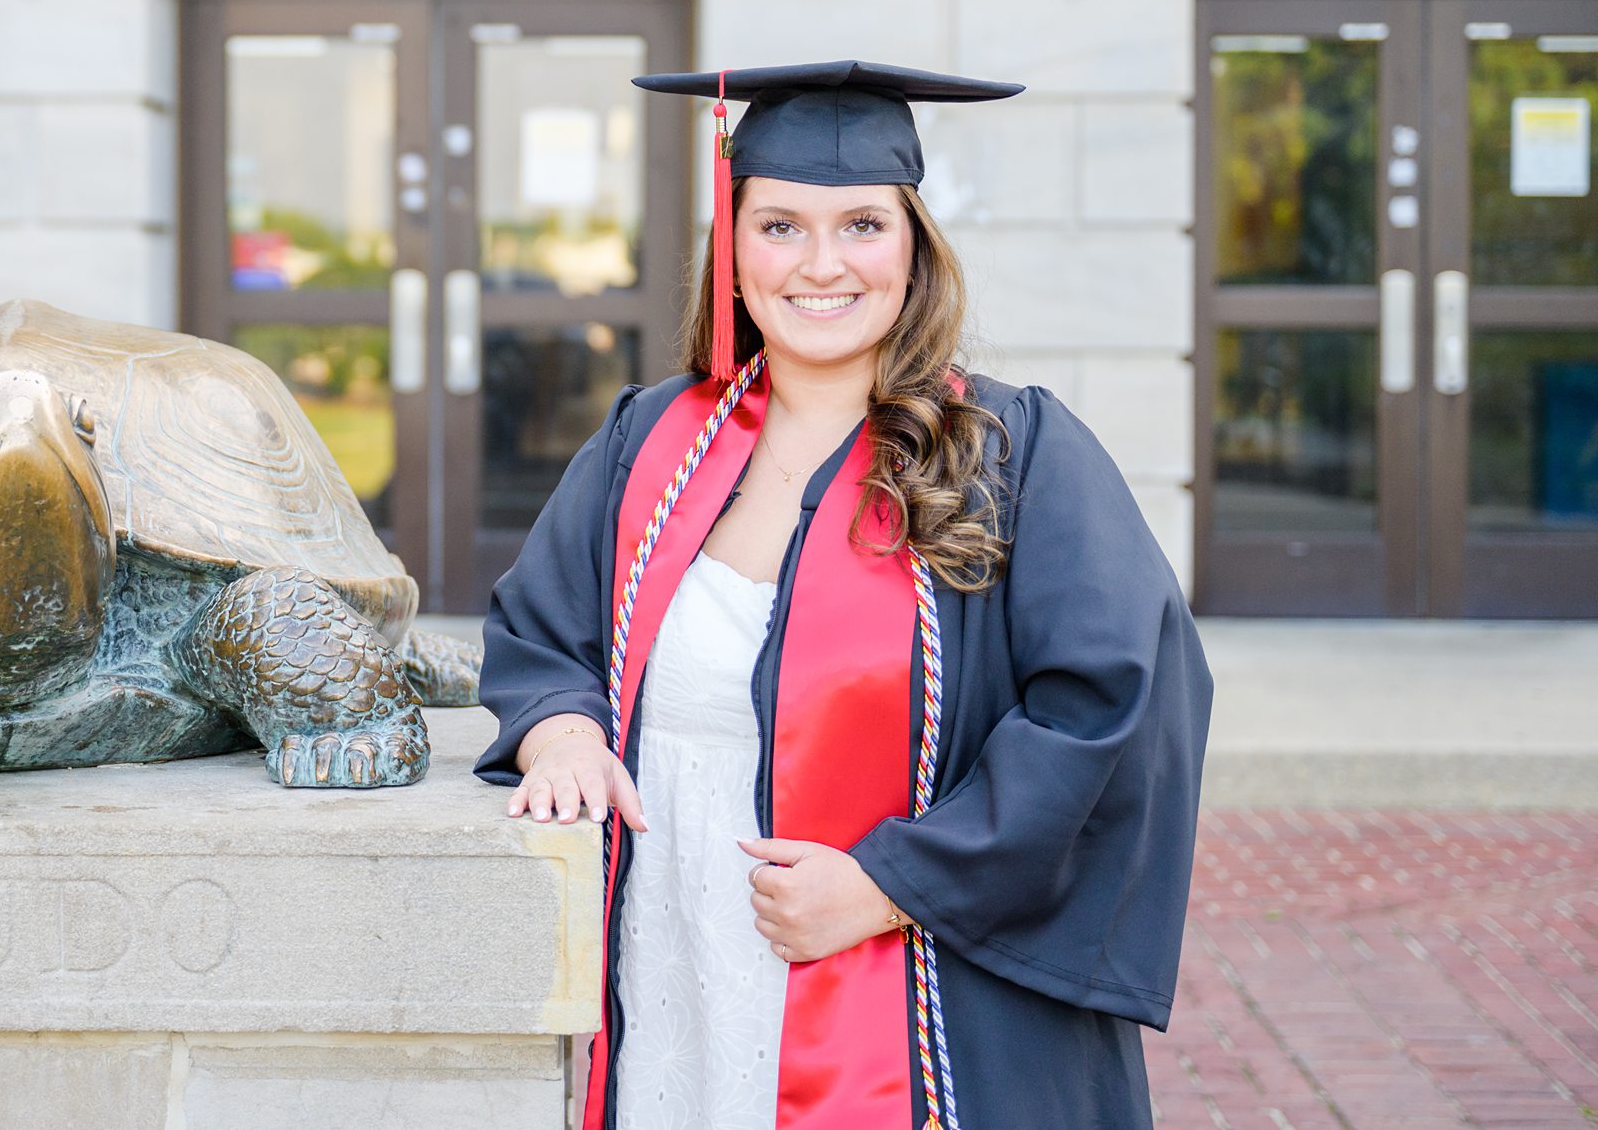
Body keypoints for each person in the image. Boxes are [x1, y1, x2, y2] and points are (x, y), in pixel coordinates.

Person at [475, 60, 1213, 1130]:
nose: (821, 264)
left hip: (912, 991)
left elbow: (1111, 703)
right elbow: (543, 631)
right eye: (780, 227)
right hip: (675, 950)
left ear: (914, 246)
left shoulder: (1012, 454)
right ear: (734, 250)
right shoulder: (649, 444)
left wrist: (892, 883)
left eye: (862, 224)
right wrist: (560, 733)